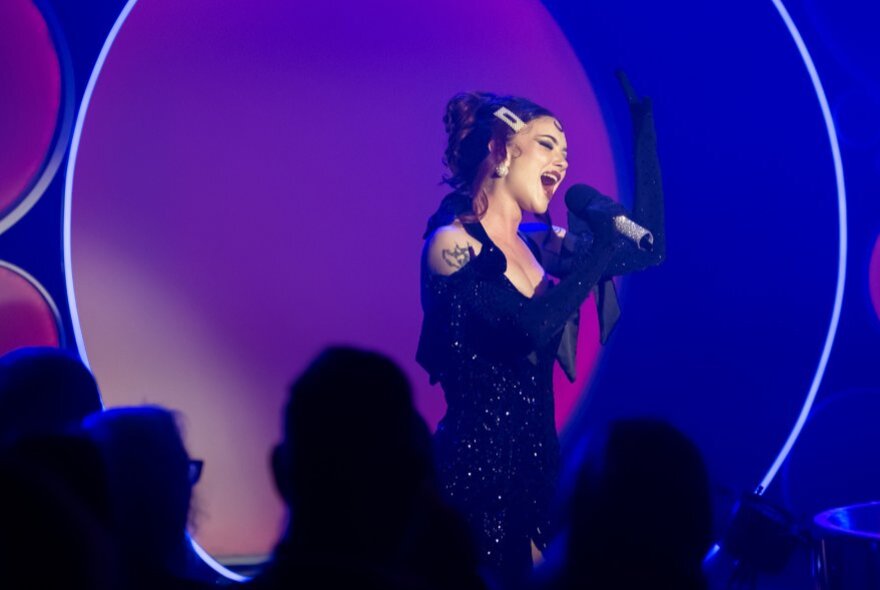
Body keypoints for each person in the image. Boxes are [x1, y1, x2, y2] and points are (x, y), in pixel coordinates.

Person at [416, 74, 665, 588]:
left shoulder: (536, 244)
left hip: (537, 469)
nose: (563, 162)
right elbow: (528, 329)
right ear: (500, 148)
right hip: (475, 475)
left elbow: (649, 249)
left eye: (567, 153)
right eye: (548, 145)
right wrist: (595, 246)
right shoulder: (450, 245)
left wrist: (643, 130)